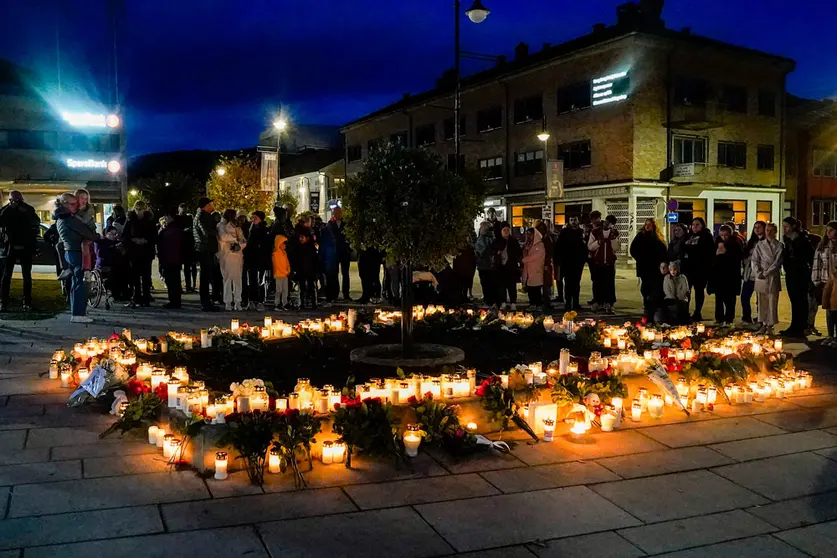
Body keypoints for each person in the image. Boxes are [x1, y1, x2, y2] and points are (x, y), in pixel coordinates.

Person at [54, 193, 98, 323]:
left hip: (71, 251)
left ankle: (77, 312)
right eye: (73, 204)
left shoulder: (61, 217)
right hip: (75, 252)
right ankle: (78, 313)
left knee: (76, 282)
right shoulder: (69, 219)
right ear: (64, 204)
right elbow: (88, 234)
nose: (76, 206)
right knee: (79, 283)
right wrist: (98, 237)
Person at [0, 190, 40, 312]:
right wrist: (9, 208)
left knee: (25, 275)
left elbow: (35, 223)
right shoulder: (6, 210)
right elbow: (1, 221)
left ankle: (26, 301)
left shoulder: (27, 209)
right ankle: (4, 302)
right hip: (11, 246)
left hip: (24, 246)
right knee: (6, 276)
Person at [630, 218, 668, 321]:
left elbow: (662, 251)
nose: (647, 226)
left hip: (654, 269)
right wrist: (640, 258)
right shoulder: (640, 237)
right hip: (644, 268)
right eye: (646, 224)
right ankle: (647, 307)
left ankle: (653, 308)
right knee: (645, 288)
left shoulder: (657, 238)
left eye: (649, 225)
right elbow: (633, 249)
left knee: (654, 289)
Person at [782, 217, 814, 337]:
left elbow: (809, 257)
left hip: (801, 273)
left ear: (793, 226)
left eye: (786, 226)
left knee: (801, 301)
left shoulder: (802, 240)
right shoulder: (787, 239)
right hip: (791, 273)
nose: (784, 229)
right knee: (794, 301)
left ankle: (801, 327)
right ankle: (794, 326)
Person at [122, 201, 157, 308]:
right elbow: (124, 235)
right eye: (137, 209)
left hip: (146, 252)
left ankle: (146, 298)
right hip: (134, 252)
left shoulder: (149, 221)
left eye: (141, 209)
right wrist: (134, 240)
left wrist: (146, 240)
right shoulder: (130, 220)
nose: (139, 212)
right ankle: (136, 296)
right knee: (135, 276)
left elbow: (154, 235)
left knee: (146, 276)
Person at [752, 222, 784, 335]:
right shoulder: (760, 245)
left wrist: (765, 273)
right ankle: (763, 324)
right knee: (762, 302)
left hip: (772, 276)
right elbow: (754, 260)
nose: (768, 232)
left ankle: (770, 325)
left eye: (771, 230)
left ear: (775, 232)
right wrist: (758, 272)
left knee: (772, 302)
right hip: (760, 276)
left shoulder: (779, 245)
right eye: (767, 230)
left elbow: (777, 262)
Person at [709, 225, 743, 326]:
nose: (724, 237)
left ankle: (729, 318)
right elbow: (712, 259)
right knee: (719, 298)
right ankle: (719, 318)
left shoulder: (735, 244)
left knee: (730, 299)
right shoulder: (716, 244)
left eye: (726, 235)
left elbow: (737, 259)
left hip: (731, 276)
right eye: (722, 235)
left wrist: (726, 253)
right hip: (719, 275)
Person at [683, 217, 715, 321]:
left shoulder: (706, 236)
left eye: (697, 225)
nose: (695, 227)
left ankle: (697, 312)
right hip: (689, 269)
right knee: (686, 291)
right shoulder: (689, 236)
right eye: (693, 225)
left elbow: (708, 254)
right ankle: (685, 311)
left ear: (702, 225)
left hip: (700, 270)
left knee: (699, 292)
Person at [588, 212, 620, 314]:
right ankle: (598, 302)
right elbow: (590, 246)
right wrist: (598, 242)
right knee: (598, 284)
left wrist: (613, 239)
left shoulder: (615, 233)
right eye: (607, 222)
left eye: (610, 224)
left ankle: (609, 303)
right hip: (598, 262)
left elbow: (617, 248)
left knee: (609, 285)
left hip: (609, 263)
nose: (607, 225)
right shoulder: (595, 232)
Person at [216, 209, 247, 311]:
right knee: (228, 279)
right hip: (226, 256)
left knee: (238, 280)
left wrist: (240, 246)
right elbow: (223, 237)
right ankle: (228, 302)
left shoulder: (236, 227)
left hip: (237, 256)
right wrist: (236, 240)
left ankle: (238, 301)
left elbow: (243, 240)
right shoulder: (221, 226)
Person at [193, 198, 220, 312]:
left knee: (206, 275)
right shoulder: (203, 216)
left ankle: (206, 301)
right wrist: (218, 233)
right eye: (210, 204)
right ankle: (205, 302)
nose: (212, 205)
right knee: (205, 275)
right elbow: (205, 231)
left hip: (204, 248)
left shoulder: (201, 215)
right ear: (206, 205)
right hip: (205, 248)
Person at [813, 222, 837, 345]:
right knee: (828, 309)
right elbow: (817, 263)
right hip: (826, 281)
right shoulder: (823, 246)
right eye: (827, 230)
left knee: (836, 309)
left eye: (831, 230)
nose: (829, 233)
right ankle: (830, 335)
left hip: (836, 282)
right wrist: (816, 281)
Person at [555, 216, 587, 311]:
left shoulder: (581, 232)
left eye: (575, 220)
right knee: (568, 284)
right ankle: (568, 303)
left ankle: (576, 303)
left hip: (578, 263)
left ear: (578, 221)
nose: (573, 222)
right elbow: (559, 247)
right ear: (569, 221)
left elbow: (584, 247)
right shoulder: (564, 232)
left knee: (576, 283)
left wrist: (583, 259)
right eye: (571, 220)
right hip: (567, 263)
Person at [243, 210, 270, 310]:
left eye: (255, 218)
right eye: (252, 217)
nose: (253, 220)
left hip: (260, 260)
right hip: (251, 259)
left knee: (260, 281)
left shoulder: (264, 231)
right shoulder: (250, 229)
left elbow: (265, 246)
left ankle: (260, 301)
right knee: (251, 280)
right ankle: (252, 300)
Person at [740, 221, 766, 325]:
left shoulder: (766, 242)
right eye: (755, 227)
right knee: (745, 297)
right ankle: (746, 317)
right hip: (750, 273)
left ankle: (761, 319)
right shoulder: (750, 242)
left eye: (759, 227)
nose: (757, 229)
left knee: (760, 299)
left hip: (760, 274)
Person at [156, 211, 183, 309]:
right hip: (175, 258)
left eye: (166, 217)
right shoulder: (177, 229)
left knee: (171, 281)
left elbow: (160, 242)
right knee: (175, 280)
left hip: (168, 258)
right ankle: (176, 300)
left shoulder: (168, 230)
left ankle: (173, 301)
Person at [494, 224, 522, 310]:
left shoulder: (513, 241)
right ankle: (503, 302)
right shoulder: (497, 241)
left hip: (511, 266)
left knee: (512, 286)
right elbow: (493, 251)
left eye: (507, 230)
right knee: (501, 286)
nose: (506, 232)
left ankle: (513, 302)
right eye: (504, 230)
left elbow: (518, 253)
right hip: (500, 267)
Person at [327, 207, 352, 301]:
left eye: (339, 213)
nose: (337, 215)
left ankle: (346, 294)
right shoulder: (330, 224)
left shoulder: (346, 224)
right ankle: (335, 293)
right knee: (334, 273)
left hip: (344, 251)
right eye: (335, 213)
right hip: (335, 251)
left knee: (345, 273)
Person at [294, 216, 318, 309]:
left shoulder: (310, 247)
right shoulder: (299, 246)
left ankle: (313, 302)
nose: (301, 239)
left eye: (302, 237)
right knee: (303, 286)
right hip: (302, 268)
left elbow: (314, 257)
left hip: (309, 268)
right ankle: (303, 302)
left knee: (311, 285)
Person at [475, 221, 497, 307]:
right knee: (491, 284)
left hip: (484, 264)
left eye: (481, 227)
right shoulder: (493, 236)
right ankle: (493, 301)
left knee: (485, 284)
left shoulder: (482, 238)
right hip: (491, 265)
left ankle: (488, 302)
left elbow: (480, 251)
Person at [176, 204, 197, 293]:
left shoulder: (189, 218)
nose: (184, 211)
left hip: (188, 244)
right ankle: (180, 287)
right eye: (182, 209)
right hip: (180, 244)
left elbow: (193, 228)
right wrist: (183, 230)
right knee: (179, 267)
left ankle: (189, 286)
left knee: (188, 267)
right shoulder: (177, 218)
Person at [522, 227, 545, 308]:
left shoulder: (540, 245)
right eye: (527, 234)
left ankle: (537, 305)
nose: (528, 236)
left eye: (530, 234)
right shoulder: (528, 245)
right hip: (528, 270)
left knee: (536, 289)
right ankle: (532, 304)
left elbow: (535, 256)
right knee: (530, 289)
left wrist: (524, 259)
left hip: (536, 270)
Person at [534, 220, 554, 312]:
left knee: (545, 285)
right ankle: (543, 302)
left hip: (544, 264)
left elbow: (549, 252)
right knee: (543, 285)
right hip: (540, 264)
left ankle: (545, 302)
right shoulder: (541, 238)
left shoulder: (545, 238)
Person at [452, 234, 477, 304]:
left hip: (464, 270)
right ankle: (462, 297)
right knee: (463, 284)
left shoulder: (465, 249)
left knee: (463, 284)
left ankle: (463, 297)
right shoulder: (465, 249)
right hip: (464, 270)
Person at [272, 233, 291, 310]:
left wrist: (288, 270)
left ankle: (284, 303)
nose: (285, 245)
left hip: (284, 275)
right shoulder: (275, 254)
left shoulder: (284, 253)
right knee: (279, 290)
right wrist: (286, 272)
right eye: (283, 244)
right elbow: (277, 265)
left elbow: (287, 263)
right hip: (279, 275)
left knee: (285, 290)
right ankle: (277, 304)